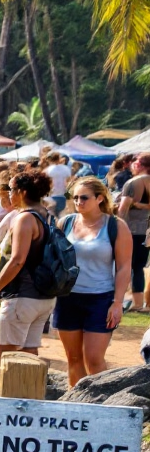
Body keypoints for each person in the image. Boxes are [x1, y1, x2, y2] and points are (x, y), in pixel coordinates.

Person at [54, 178, 132, 387]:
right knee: (73, 359)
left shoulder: (115, 225)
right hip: (67, 297)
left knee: (94, 360)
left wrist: (117, 303)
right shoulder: (66, 223)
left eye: (84, 197)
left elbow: (125, 267)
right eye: (75, 197)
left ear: (99, 198)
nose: (78, 201)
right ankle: (76, 405)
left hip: (101, 298)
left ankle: (99, 407)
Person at [0, 170, 55, 368]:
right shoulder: (46, 215)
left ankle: (1, 400)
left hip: (21, 297)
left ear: (22, 192)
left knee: (4, 362)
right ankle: (27, 399)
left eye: (11, 190)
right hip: (43, 297)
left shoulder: (25, 219)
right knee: (28, 361)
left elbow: (17, 260)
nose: (8, 194)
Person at [116, 153, 150, 312]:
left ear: (141, 165)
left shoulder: (133, 183)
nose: (133, 164)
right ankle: (138, 303)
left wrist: (115, 228)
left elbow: (122, 209)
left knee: (124, 265)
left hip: (131, 230)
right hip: (147, 231)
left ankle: (120, 300)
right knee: (139, 267)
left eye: (136, 161)